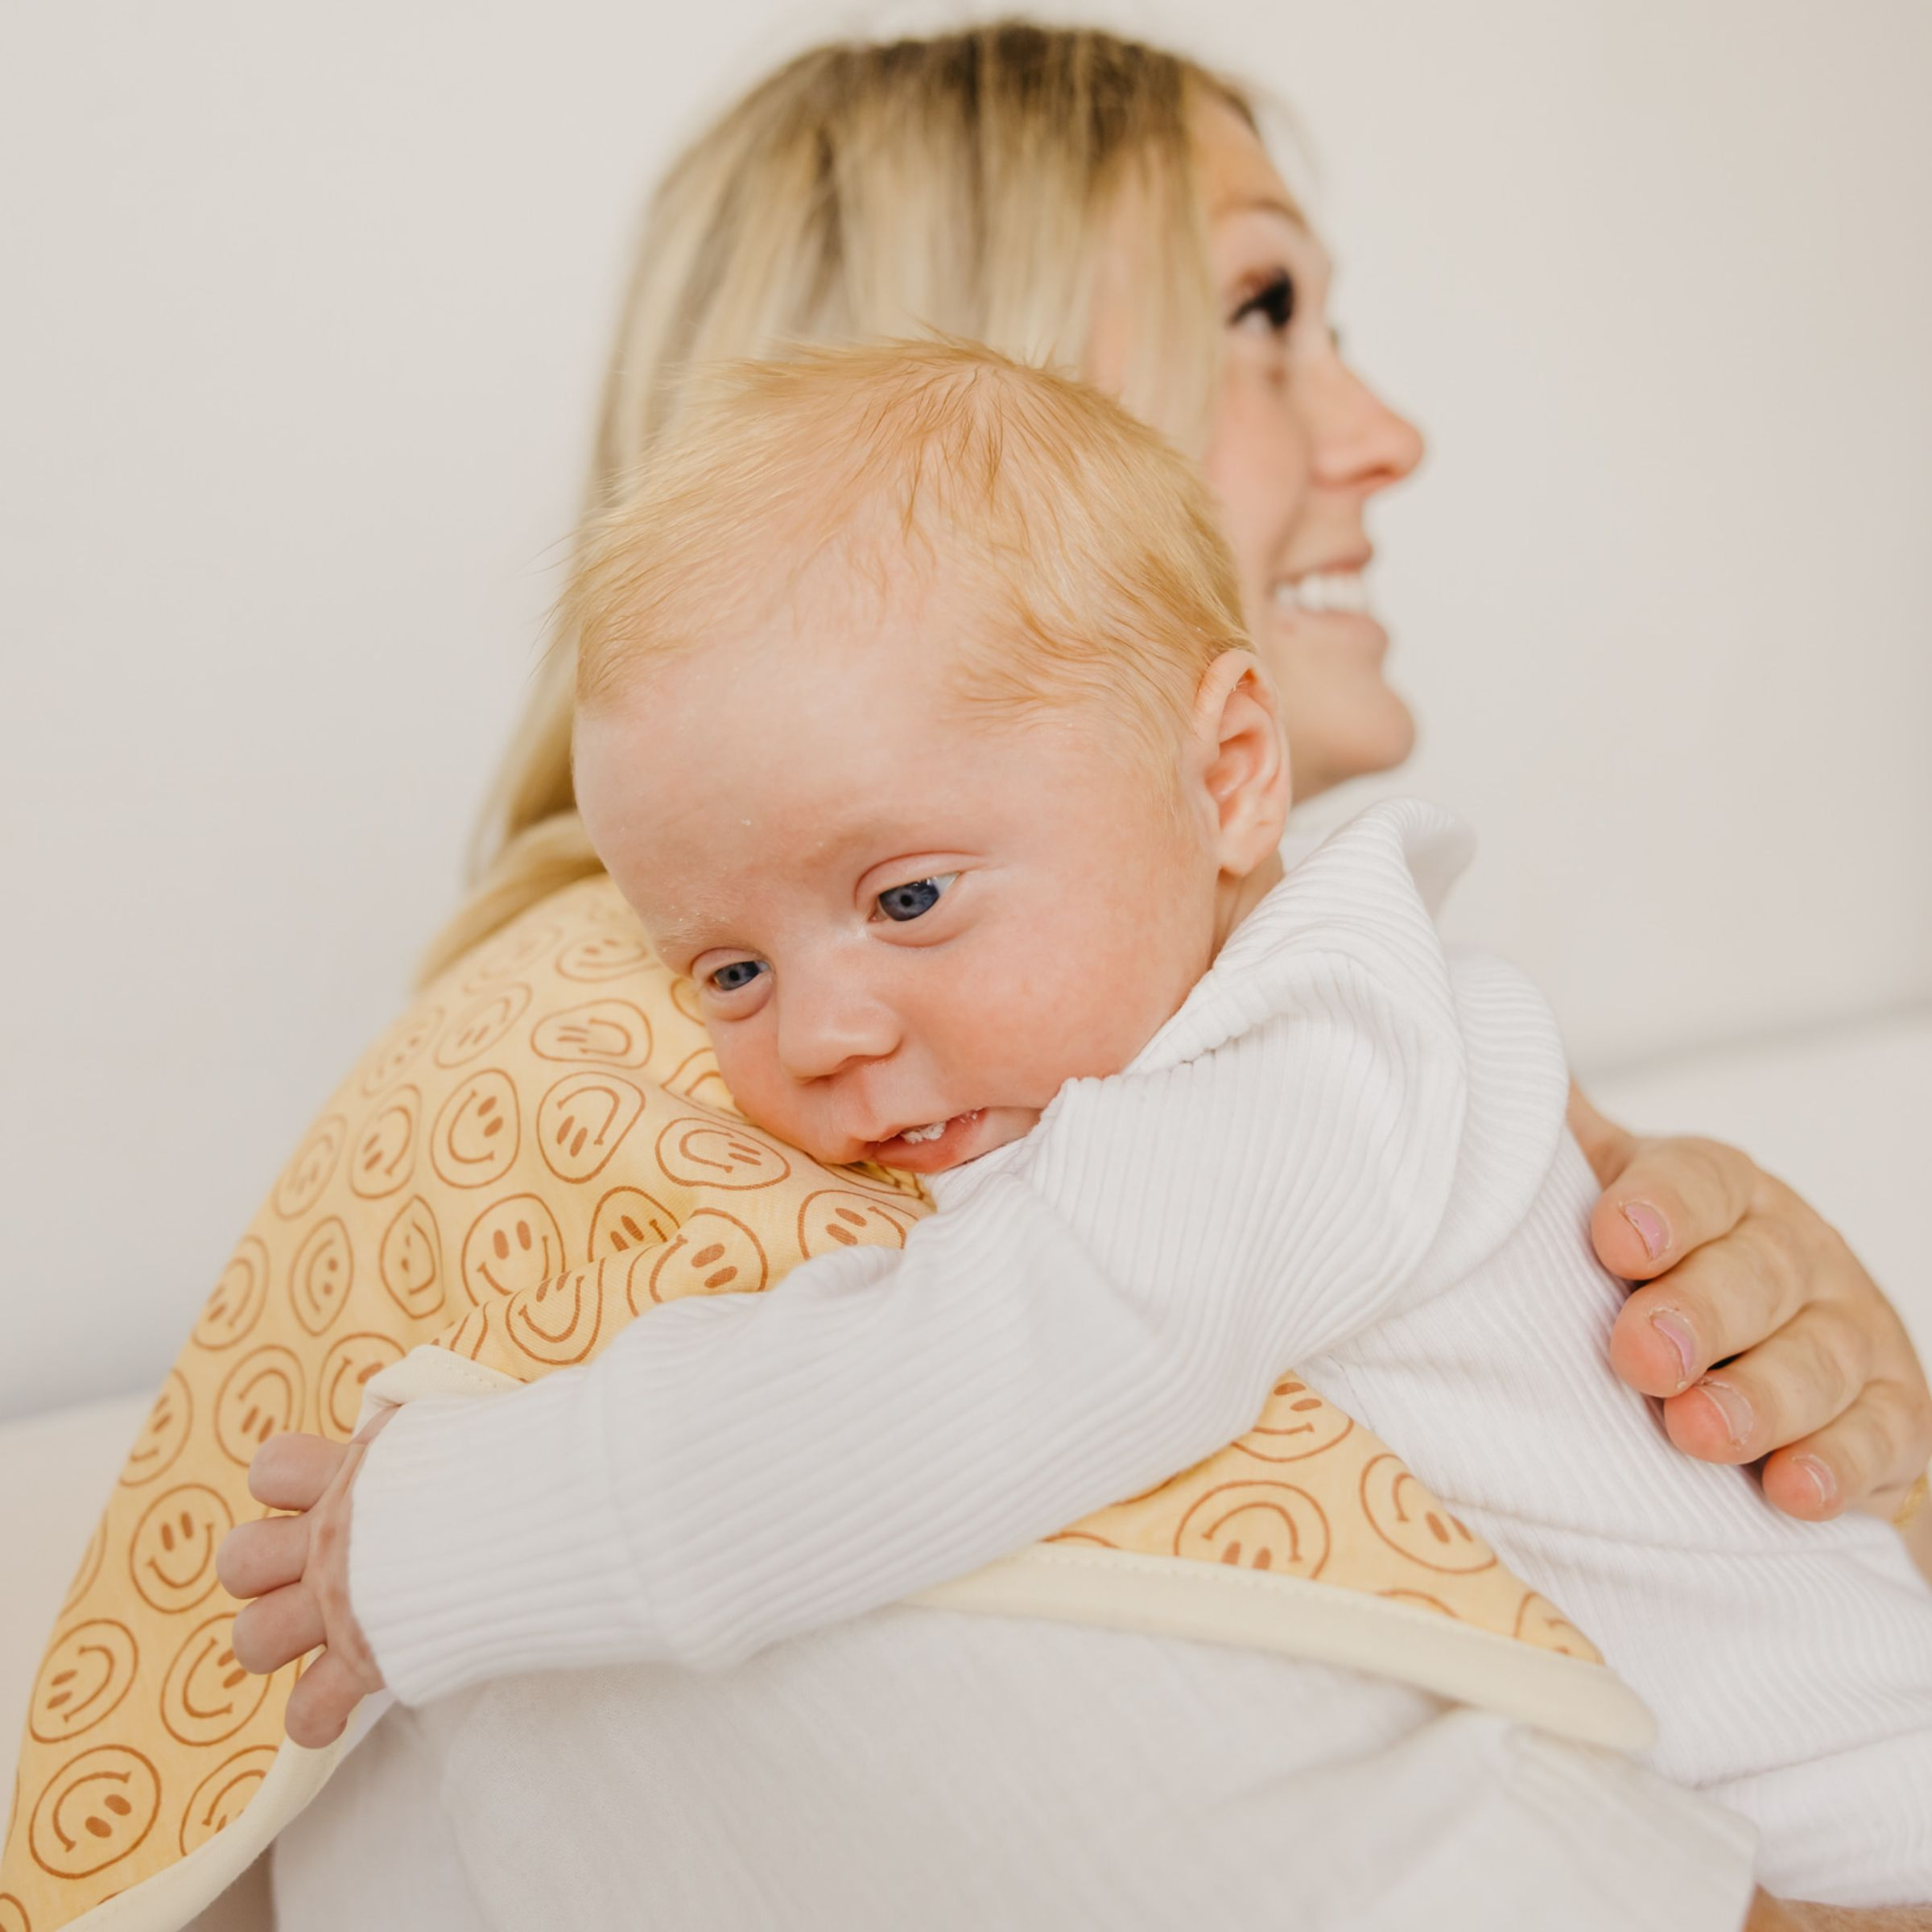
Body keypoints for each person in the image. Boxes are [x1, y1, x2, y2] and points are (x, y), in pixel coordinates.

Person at [211, 22, 1929, 1931]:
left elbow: (1027, 1348)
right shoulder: (632, 1100)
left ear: (1227, 767)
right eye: (1263, 312)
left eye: (911, 901)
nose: (1386, 433)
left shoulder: (1305, 1040)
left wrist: (445, 1533)